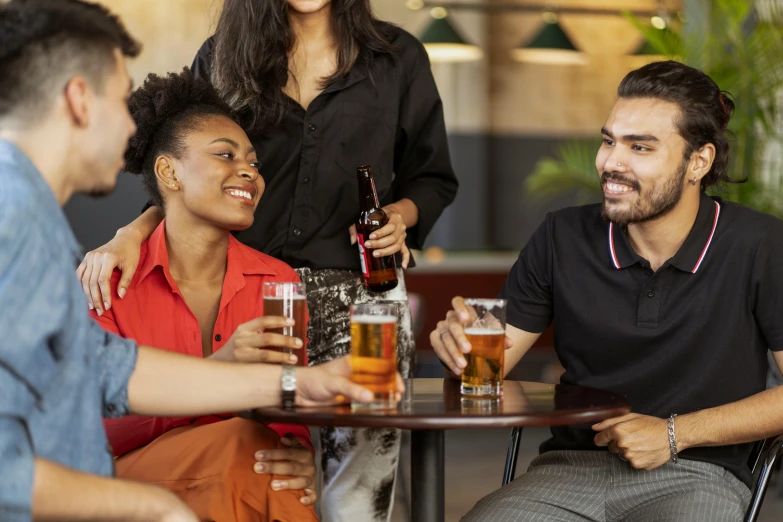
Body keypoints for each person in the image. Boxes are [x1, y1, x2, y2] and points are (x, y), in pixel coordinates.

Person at [0, 1, 400, 520]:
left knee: (251, 464)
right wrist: (154, 506)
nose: (130, 129)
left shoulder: (30, 211)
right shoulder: (17, 219)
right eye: (123, 101)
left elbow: (107, 371)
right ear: (79, 100)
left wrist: (298, 384)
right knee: (240, 459)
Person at [432, 60, 783, 522]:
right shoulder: (561, 235)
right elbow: (489, 364)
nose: (611, 162)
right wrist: (458, 349)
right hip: (567, 469)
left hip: (698, 472)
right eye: (608, 140)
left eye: (640, 147)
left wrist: (674, 434)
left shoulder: (761, 245)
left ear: (699, 161)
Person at [90, 68, 320, 521]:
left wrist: (296, 453)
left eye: (253, 162)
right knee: (239, 448)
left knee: (260, 466)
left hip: (231, 474)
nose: (249, 173)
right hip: (114, 479)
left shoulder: (279, 282)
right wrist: (218, 377)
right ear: (169, 172)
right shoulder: (106, 281)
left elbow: (285, 412)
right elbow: (95, 428)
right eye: (225, 155)